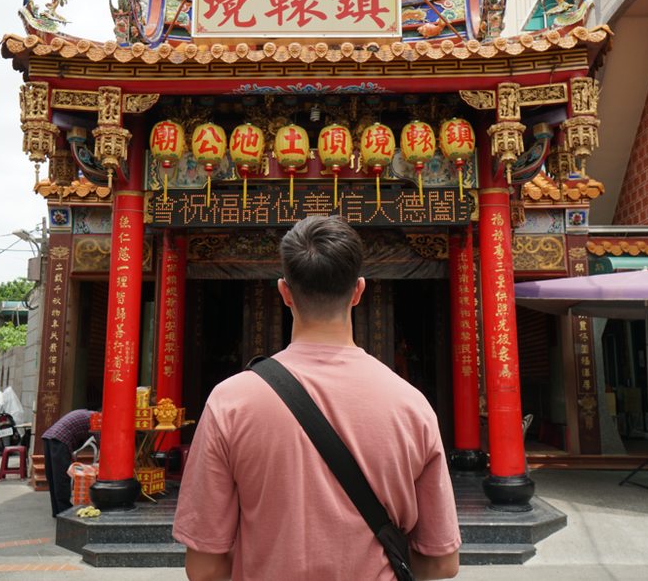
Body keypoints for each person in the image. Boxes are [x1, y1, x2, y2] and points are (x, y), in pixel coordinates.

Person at [174, 215, 461, 581]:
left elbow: (204, 568)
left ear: (285, 292)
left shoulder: (229, 403)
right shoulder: (412, 406)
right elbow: (441, 563)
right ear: (358, 291)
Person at [42, 409, 96, 517]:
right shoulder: (97, 420)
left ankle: (57, 511)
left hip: (48, 437)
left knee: (53, 478)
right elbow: (101, 443)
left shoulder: (86, 414)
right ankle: (65, 512)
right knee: (61, 478)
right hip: (60, 440)